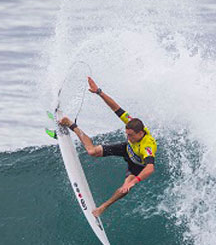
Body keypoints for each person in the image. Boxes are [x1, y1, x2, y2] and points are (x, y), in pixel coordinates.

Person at [59, 77, 157, 217]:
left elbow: (150, 168)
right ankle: (72, 125)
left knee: (124, 189)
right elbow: (116, 108)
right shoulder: (132, 124)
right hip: (126, 150)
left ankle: (102, 208)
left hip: (137, 165)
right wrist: (99, 92)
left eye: (131, 135)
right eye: (127, 134)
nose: (128, 137)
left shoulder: (147, 145)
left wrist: (134, 181)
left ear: (140, 133)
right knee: (92, 151)